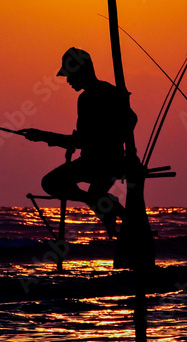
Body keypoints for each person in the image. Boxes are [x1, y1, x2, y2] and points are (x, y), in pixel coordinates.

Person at [21, 48, 135, 238]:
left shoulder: (88, 98)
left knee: (51, 182)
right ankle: (106, 206)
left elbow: (84, 140)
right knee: (96, 192)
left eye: (70, 75)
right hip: (112, 161)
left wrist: (43, 136)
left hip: (98, 163)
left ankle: (105, 205)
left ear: (81, 71)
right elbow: (131, 120)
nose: (68, 81)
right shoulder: (111, 91)